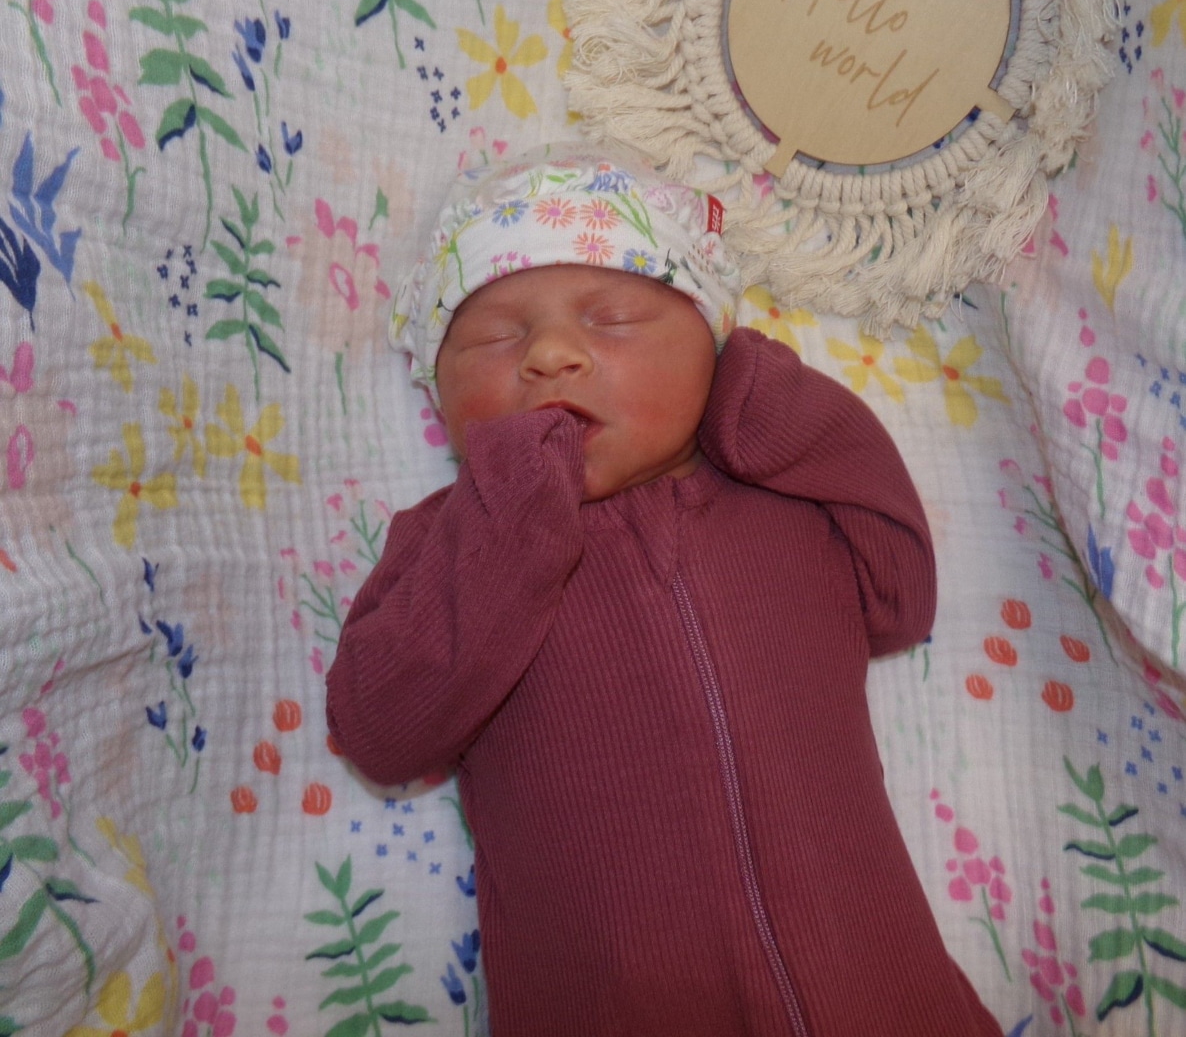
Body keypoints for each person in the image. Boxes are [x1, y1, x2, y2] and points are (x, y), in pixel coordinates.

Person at [325, 144, 1003, 1037]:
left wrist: (757, 400)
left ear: (709, 350)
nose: (551, 355)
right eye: (495, 338)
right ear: (438, 392)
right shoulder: (451, 545)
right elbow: (380, 733)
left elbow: (901, 593)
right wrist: (507, 515)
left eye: (612, 320)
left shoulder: (785, 510)